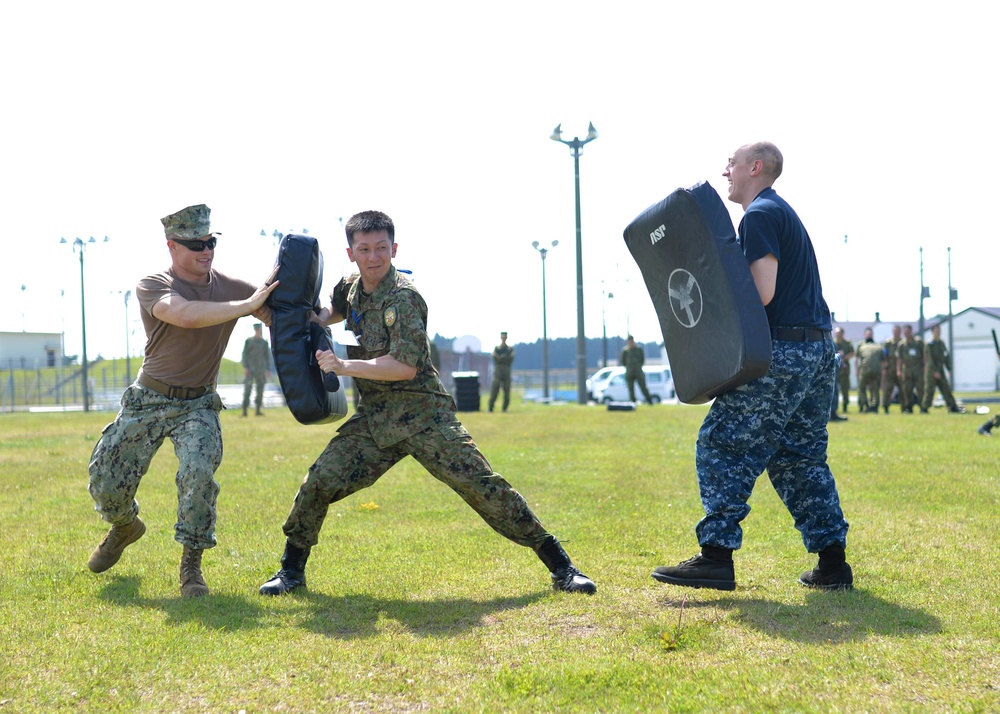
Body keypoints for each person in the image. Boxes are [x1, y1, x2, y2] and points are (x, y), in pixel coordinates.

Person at [259, 211, 595, 596]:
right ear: (350, 253)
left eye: (381, 248)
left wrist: (343, 365)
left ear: (394, 249)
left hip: (425, 417)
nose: (373, 257)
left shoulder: (403, 298)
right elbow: (339, 307)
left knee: (483, 487)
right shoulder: (350, 286)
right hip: (376, 419)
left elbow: (403, 367)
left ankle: (562, 567)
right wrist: (318, 318)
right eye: (364, 249)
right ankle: (291, 572)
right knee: (319, 481)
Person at [652, 142, 852, 592]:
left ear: (755, 167)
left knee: (722, 442)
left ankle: (715, 558)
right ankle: (833, 564)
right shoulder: (779, 211)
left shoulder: (759, 214)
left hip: (782, 352)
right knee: (799, 458)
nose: (726, 170)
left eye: (733, 162)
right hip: (817, 351)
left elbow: (761, 292)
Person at [86, 204, 278, 597]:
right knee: (105, 482)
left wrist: (336, 310)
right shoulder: (153, 284)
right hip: (149, 398)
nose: (205, 250)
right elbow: (185, 315)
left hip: (198, 405)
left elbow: (287, 316)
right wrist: (246, 306)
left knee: (198, 473)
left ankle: (191, 566)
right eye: (195, 244)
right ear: (172, 246)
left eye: (210, 242)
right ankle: (125, 526)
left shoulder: (231, 287)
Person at [921, 324, 963, 413]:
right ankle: (924, 408)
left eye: (939, 330)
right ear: (932, 332)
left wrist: (949, 369)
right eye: (936, 330)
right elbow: (929, 360)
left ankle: (952, 407)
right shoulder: (929, 344)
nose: (938, 332)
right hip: (931, 372)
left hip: (941, 370)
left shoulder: (941, 343)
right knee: (929, 390)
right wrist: (934, 372)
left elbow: (946, 356)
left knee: (946, 389)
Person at [241, 322, 271, 416]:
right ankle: (244, 411)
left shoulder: (264, 343)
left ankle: (257, 410)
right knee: (247, 389)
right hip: (250, 369)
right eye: (257, 329)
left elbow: (266, 357)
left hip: (260, 369)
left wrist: (267, 369)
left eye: (259, 329)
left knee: (260, 390)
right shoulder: (249, 341)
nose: (258, 331)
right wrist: (245, 367)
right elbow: (244, 355)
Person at [855, 327, 884, 413]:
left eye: (870, 334)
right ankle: (865, 405)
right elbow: (857, 359)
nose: (869, 335)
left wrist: (883, 370)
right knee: (861, 388)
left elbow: (883, 360)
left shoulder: (878, 346)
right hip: (864, 370)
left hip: (875, 371)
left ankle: (874, 407)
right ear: (865, 335)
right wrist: (857, 370)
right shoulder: (861, 345)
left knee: (875, 389)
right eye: (867, 334)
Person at [897, 324, 924, 413]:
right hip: (907, 370)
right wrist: (898, 370)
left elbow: (924, 356)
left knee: (920, 389)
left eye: (908, 332)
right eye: (905, 332)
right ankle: (909, 408)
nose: (907, 334)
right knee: (907, 390)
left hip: (918, 369)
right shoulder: (901, 345)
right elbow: (899, 358)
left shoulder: (918, 343)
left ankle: (923, 407)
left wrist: (925, 368)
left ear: (911, 332)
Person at [619, 335, 653, 404]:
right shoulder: (625, 351)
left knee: (643, 387)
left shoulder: (639, 349)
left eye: (631, 340)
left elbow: (642, 360)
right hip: (629, 372)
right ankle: (633, 402)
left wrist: (638, 366)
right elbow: (623, 361)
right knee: (631, 389)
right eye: (629, 341)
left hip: (638, 372)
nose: (630, 342)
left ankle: (649, 400)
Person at [488, 331, 515, 412]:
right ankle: (490, 407)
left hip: (506, 372)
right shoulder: (497, 348)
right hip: (498, 372)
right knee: (494, 390)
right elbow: (495, 357)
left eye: (505, 337)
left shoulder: (510, 349)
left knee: (507, 391)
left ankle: (505, 408)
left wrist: (501, 358)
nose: (503, 338)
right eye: (502, 336)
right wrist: (503, 358)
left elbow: (510, 359)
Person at [881, 324, 903, 413]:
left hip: (901, 370)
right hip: (890, 369)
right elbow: (884, 356)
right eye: (895, 331)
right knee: (888, 389)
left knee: (903, 389)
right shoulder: (888, 343)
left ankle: (904, 407)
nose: (896, 333)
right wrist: (884, 368)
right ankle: (885, 406)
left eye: (898, 331)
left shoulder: (903, 342)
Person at [832, 327, 854, 415]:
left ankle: (845, 405)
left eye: (839, 333)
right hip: (835, 369)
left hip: (844, 368)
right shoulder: (833, 342)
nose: (837, 335)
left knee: (845, 388)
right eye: (836, 333)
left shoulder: (847, 343)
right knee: (834, 388)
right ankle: (833, 409)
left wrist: (843, 358)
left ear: (842, 334)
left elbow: (852, 353)